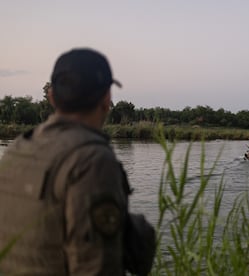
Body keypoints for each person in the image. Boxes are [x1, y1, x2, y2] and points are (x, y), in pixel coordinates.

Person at [0, 48, 155, 275]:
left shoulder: (17, 148)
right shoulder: (93, 160)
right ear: (106, 100)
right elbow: (97, 267)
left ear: (52, 97)